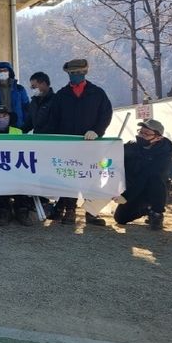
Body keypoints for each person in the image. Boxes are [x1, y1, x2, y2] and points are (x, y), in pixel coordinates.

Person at [45, 59, 113, 225]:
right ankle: (70, 210)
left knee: (92, 176)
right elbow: (53, 120)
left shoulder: (97, 93)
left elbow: (105, 115)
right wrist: (55, 141)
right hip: (67, 145)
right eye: (72, 73)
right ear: (68, 74)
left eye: (79, 72)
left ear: (85, 72)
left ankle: (92, 211)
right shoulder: (61, 95)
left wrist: (97, 131)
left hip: (91, 143)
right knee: (70, 177)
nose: (75, 75)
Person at [113, 120, 172, 230]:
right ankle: (147, 210)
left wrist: (126, 196)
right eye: (140, 132)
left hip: (154, 191)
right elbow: (113, 155)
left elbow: (146, 176)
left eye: (146, 133)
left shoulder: (164, 154)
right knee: (120, 218)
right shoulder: (132, 146)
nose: (141, 136)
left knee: (155, 178)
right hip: (136, 188)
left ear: (158, 138)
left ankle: (157, 213)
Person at [0, 105, 32, 226]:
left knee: (22, 184)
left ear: (10, 118)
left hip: (17, 168)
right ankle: (3, 211)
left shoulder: (18, 132)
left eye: (4, 116)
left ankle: (22, 211)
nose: (1, 118)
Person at [0, 62, 29, 132]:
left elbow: (26, 108)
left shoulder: (19, 89)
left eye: (5, 70)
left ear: (10, 72)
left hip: (17, 124)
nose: (3, 72)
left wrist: (25, 125)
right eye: (0, 71)